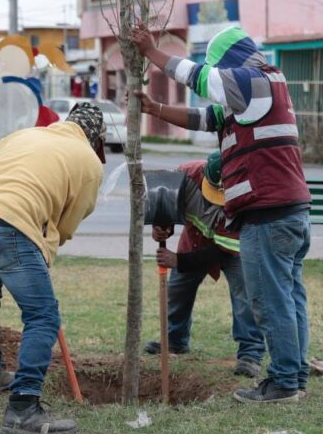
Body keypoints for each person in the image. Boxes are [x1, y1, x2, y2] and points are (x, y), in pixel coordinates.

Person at [130, 23, 312, 404]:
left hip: (269, 213)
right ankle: (294, 373)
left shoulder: (253, 81)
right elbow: (202, 118)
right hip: (289, 212)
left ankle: (283, 383)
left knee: (271, 299)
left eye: (219, 68)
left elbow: (199, 78)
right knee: (290, 295)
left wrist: (152, 52)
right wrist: (156, 109)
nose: (219, 77)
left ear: (231, 64)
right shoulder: (250, 101)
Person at [0, 102, 105, 434]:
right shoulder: (89, 162)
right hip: (8, 227)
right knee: (43, 316)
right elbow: (67, 225)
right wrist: (44, 245)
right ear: (96, 138)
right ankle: (23, 408)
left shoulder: (23, 135)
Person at [145, 152, 266, 378]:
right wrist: (163, 226)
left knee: (244, 296)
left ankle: (250, 353)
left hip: (233, 249)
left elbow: (222, 249)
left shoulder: (245, 197)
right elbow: (168, 206)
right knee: (178, 289)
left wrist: (179, 260)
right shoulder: (185, 176)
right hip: (195, 238)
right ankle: (175, 340)